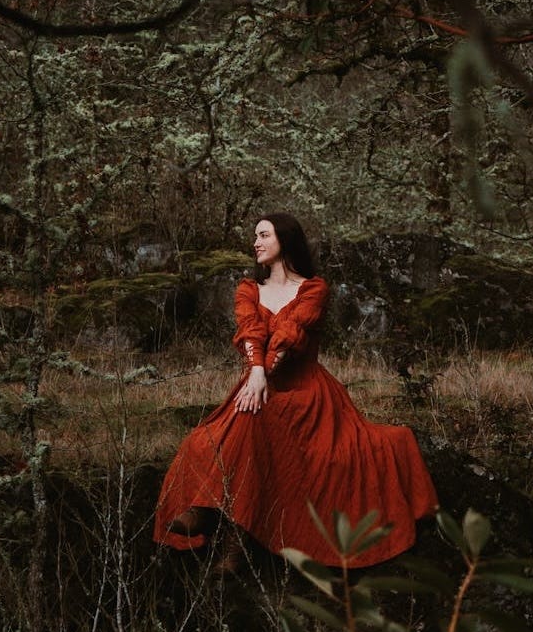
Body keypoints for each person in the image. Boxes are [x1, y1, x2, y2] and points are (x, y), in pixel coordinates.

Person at [153, 212, 438, 568]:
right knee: (201, 440)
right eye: (255, 236)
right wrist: (257, 373)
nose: (255, 242)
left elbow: (288, 337)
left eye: (263, 235)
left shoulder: (313, 289)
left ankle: (226, 530)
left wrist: (262, 373)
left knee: (255, 417)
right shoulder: (248, 289)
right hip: (257, 385)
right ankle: (215, 517)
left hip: (306, 392)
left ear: (285, 239)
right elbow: (250, 331)